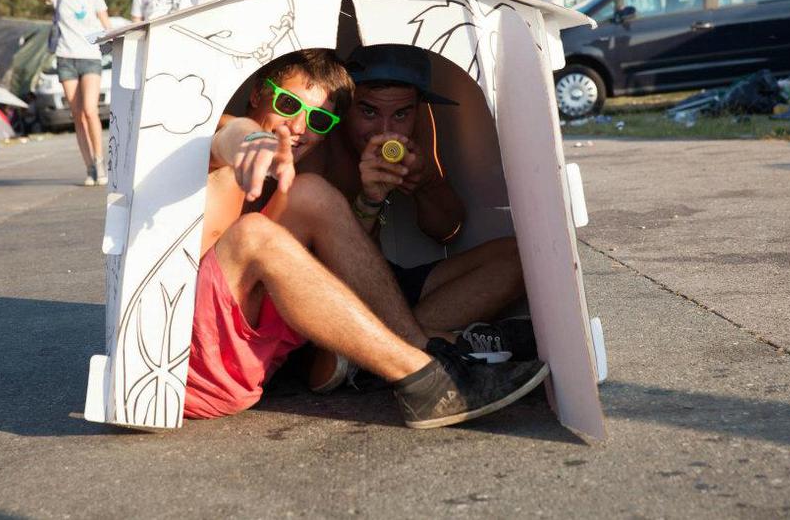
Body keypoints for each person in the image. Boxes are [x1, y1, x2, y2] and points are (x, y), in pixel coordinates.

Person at [185, 48, 549, 429]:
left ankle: (425, 363)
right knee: (255, 232)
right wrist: (248, 140)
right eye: (288, 104)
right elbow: (226, 135)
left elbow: (448, 230)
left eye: (318, 118)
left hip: (250, 356)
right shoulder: (225, 135)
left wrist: (418, 184)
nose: (298, 126)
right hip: (194, 361)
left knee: (308, 192)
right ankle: (425, 360)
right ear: (259, 93)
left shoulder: (311, 161)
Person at [299, 44, 534, 389]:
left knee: (522, 257)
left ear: (416, 108)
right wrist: (369, 201)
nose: (384, 129)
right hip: (332, 291)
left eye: (401, 114)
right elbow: (313, 270)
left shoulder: (415, 131)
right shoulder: (319, 136)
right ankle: (437, 345)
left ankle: (375, 353)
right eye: (368, 111)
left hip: (387, 283)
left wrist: (425, 184)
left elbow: (447, 231)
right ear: (346, 105)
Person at [28, 0, 112, 186]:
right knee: (77, 114)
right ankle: (89, 167)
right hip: (66, 59)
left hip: (90, 58)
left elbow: (107, 26)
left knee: (90, 110)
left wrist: (113, 45)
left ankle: (100, 160)